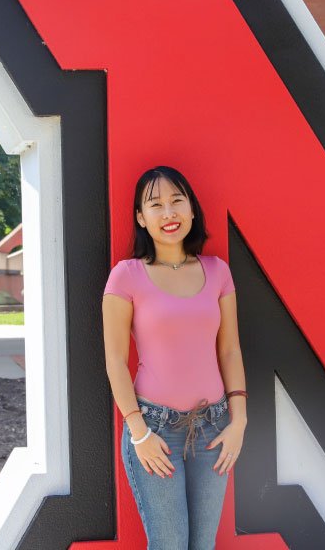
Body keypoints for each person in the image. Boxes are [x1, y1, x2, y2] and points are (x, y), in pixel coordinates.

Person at [102, 166, 247, 549]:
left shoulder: (217, 272)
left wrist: (240, 421)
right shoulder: (126, 276)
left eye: (177, 201)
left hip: (214, 428)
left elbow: (229, 349)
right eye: (156, 205)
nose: (169, 213)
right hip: (155, 431)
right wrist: (139, 434)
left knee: (203, 546)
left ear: (192, 210)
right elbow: (115, 362)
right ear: (140, 217)